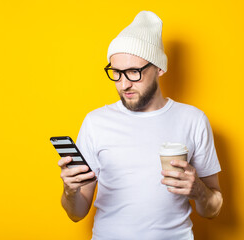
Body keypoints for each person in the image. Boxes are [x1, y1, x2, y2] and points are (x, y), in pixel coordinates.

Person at [57, 11, 223, 240]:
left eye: (133, 72)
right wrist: (70, 190)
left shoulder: (193, 120)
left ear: (159, 68)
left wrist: (199, 191)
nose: (124, 84)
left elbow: (213, 209)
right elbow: (76, 213)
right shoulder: (95, 122)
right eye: (116, 73)